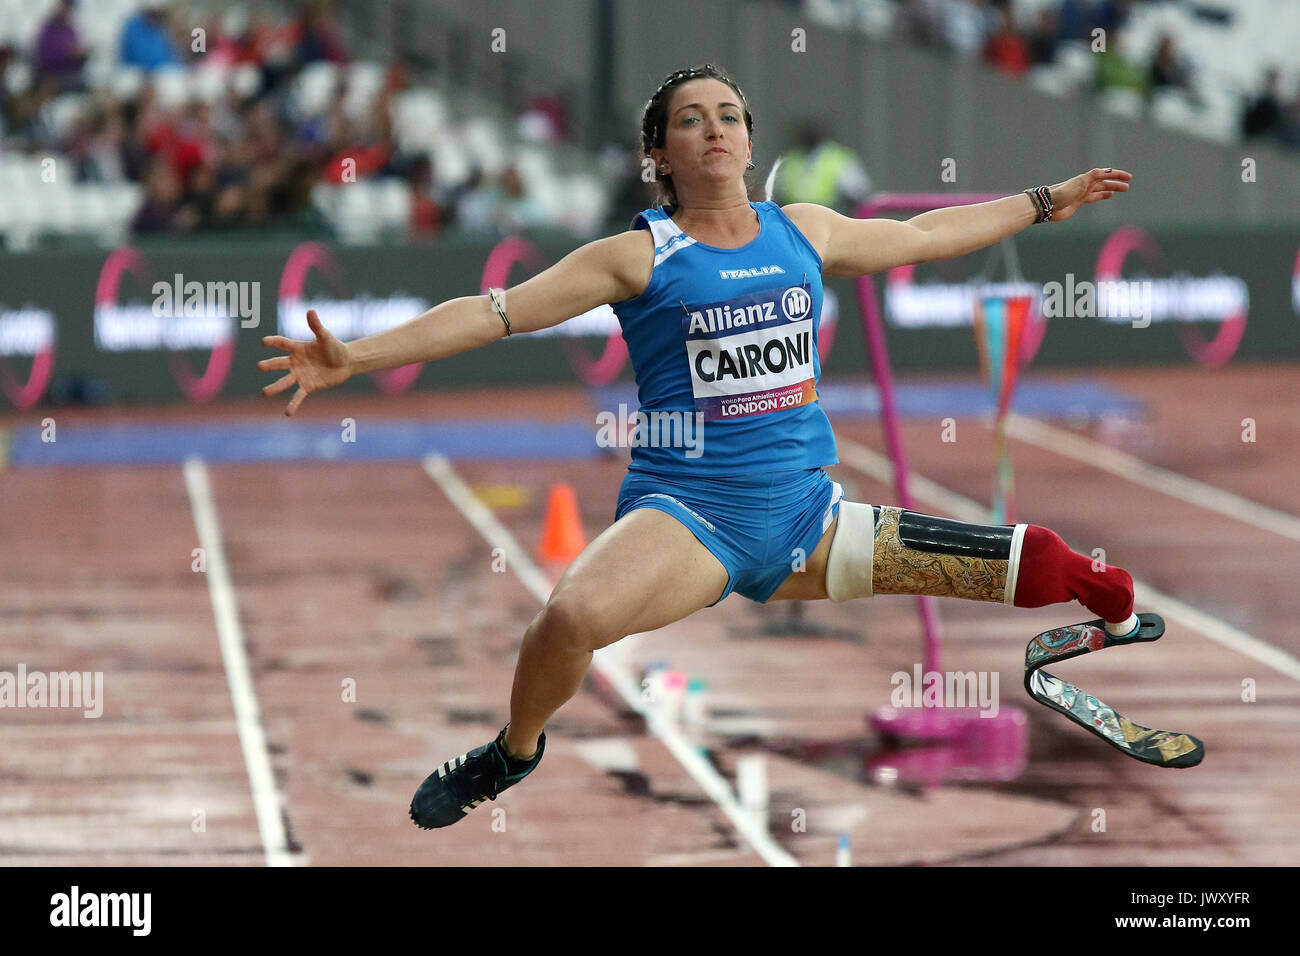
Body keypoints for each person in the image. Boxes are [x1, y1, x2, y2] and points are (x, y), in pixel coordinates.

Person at [258, 65, 1140, 830]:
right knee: (567, 620)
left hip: (807, 516)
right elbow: (496, 313)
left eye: (728, 116)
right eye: (690, 119)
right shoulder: (638, 255)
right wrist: (357, 357)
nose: (713, 128)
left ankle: (1118, 611)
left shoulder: (805, 229)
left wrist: (1045, 203)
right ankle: (511, 754)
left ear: (749, 143)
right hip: (690, 519)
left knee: (1035, 557)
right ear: (660, 155)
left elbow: (922, 236)